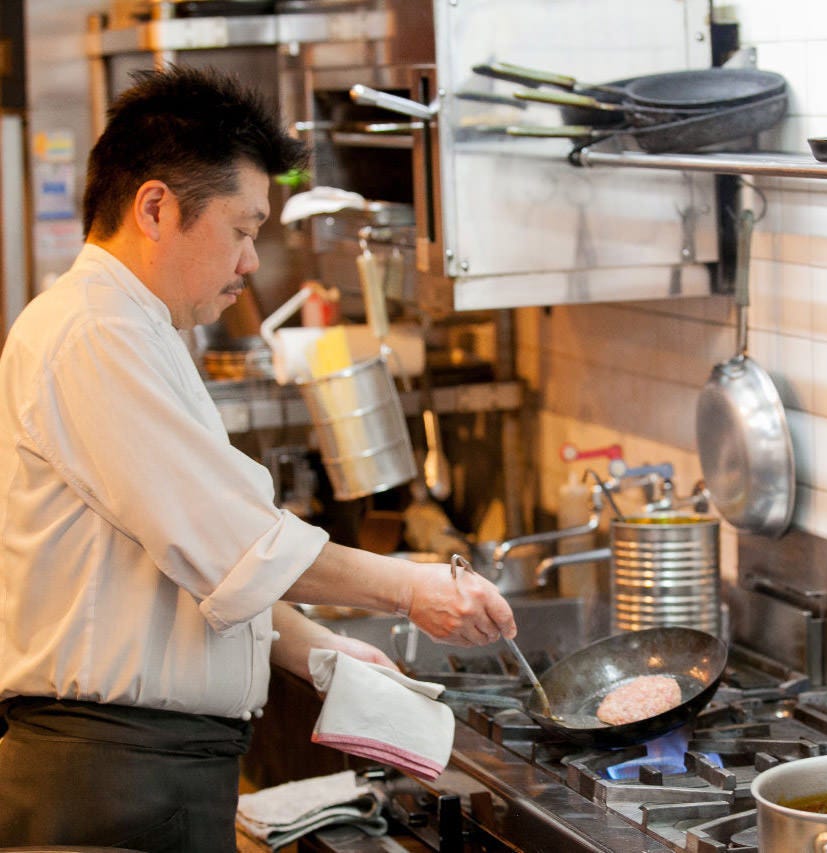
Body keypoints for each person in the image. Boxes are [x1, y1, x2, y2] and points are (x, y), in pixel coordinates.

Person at [0, 65, 516, 852]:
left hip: (141, 769)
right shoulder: (96, 331)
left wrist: (320, 649)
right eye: (242, 230)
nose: (250, 261)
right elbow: (238, 541)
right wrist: (413, 587)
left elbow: (193, 562)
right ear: (154, 208)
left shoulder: (132, 328)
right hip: (111, 776)